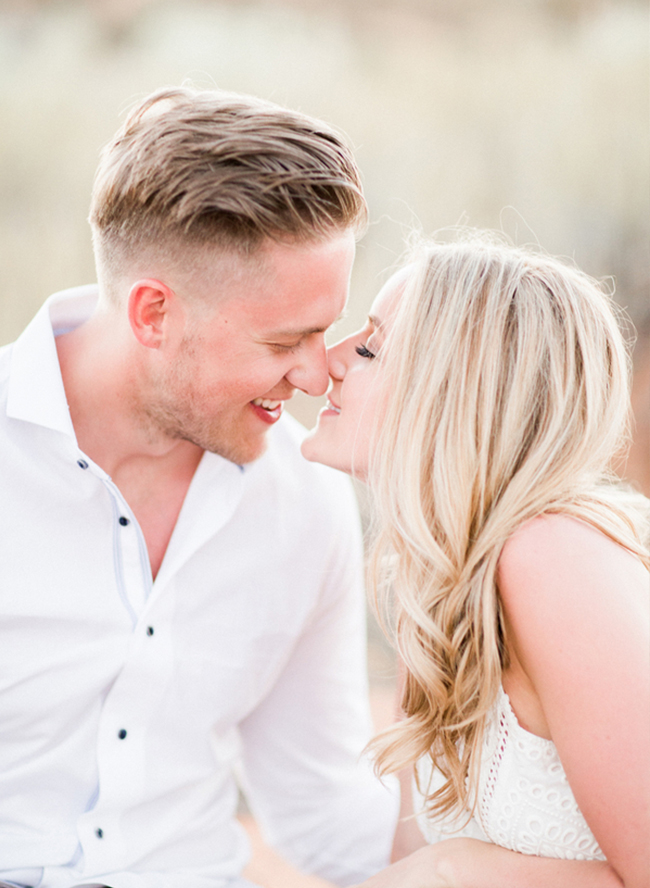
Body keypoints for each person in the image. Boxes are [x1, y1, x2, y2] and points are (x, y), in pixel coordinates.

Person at [0, 86, 398, 888]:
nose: (316, 374)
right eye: (284, 341)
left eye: (325, 331)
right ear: (153, 314)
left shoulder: (306, 501)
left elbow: (322, 804)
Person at [302, 233, 650, 888]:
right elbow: (407, 855)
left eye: (372, 348)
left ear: (456, 392)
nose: (332, 359)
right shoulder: (438, 587)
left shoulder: (551, 558)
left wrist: (456, 870)